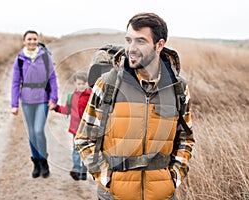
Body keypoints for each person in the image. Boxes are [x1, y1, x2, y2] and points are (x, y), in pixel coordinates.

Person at [75, 12, 195, 200]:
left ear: (159, 45)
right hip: (114, 195)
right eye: (128, 40)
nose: (131, 48)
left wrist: (174, 178)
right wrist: (107, 180)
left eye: (140, 41)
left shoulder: (178, 88)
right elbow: (84, 139)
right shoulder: (107, 84)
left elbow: (185, 139)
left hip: (163, 195)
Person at [11, 30, 58, 178]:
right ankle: (36, 163)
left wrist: (54, 99)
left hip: (42, 99)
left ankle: (44, 161)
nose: (32, 42)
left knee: (38, 130)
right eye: (29, 39)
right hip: (26, 100)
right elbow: (15, 82)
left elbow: (52, 78)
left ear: (38, 40)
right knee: (31, 133)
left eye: (34, 39)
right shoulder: (19, 59)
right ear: (24, 41)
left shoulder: (45, 57)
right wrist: (14, 104)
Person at [52, 72, 91, 181]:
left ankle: (84, 170)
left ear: (87, 83)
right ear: (75, 84)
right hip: (76, 129)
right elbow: (66, 110)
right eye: (79, 84)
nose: (81, 86)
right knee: (75, 149)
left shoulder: (91, 96)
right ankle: (76, 169)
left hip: (88, 129)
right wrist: (56, 108)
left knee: (86, 150)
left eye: (83, 83)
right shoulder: (71, 96)